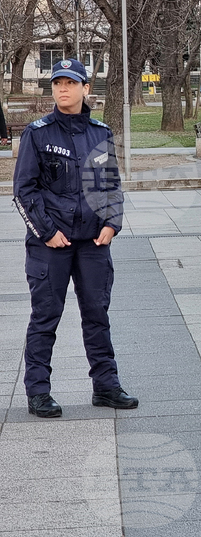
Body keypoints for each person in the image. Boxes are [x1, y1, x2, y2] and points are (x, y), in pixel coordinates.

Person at [12, 58, 137, 418]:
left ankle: (106, 386)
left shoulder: (100, 133)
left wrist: (112, 223)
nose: (62, 89)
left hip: (93, 243)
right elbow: (24, 191)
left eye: (69, 83)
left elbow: (111, 186)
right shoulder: (38, 133)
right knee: (45, 316)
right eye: (56, 84)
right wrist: (48, 233)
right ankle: (38, 392)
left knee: (97, 314)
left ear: (85, 89)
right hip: (51, 245)